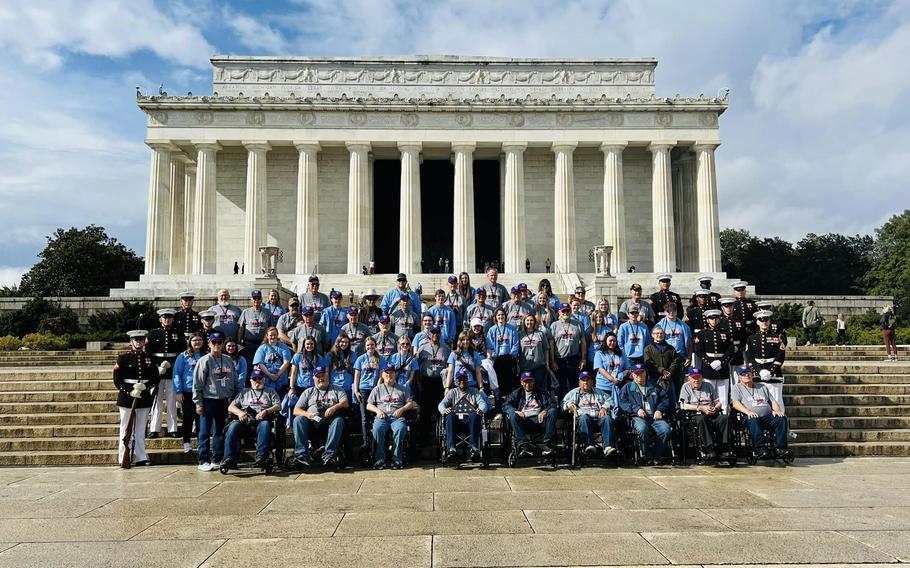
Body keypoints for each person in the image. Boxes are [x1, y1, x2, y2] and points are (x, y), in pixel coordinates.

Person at [192, 331, 239, 472]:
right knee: (205, 431)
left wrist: (235, 398)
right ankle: (203, 459)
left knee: (220, 431)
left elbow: (234, 379)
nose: (217, 345)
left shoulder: (228, 360)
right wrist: (198, 403)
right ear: (209, 344)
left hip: (224, 400)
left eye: (219, 343)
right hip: (208, 399)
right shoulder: (205, 360)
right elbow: (197, 384)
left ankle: (216, 458)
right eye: (214, 343)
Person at [113, 330, 160, 467]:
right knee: (126, 428)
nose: (138, 342)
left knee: (140, 429)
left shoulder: (149, 358)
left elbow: (155, 377)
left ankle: (141, 456)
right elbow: (117, 379)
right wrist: (130, 391)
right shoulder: (123, 358)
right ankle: (122, 456)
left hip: (144, 396)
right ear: (131, 341)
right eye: (136, 340)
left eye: (141, 340)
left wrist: (147, 386)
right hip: (127, 397)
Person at [288, 366, 350, 468]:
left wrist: (334, 408)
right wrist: (308, 414)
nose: (321, 378)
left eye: (323, 375)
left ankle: (329, 456)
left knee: (339, 420)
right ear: (314, 378)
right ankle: (302, 456)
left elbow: (345, 403)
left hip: (329, 422)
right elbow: (296, 410)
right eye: (318, 376)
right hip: (312, 423)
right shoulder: (308, 391)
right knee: (298, 419)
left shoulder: (337, 389)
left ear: (328, 376)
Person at [222, 368, 281, 470]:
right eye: (255, 378)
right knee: (233, 426)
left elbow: (278, 406)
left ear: (264, 379)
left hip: (261, 421)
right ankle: (229, 459)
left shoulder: (270, 391)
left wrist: (266, 411)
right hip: (245, 421)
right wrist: (240, 413)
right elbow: (230, 407)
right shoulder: (244, 392)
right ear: (251, 380)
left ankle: (261, 458)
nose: (257, 380)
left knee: (265, 425)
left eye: (259, 378)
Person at [731, 366, 791, 460]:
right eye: (744, 374)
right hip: (749, 417)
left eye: (749, 373)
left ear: (753, 375)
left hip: (767, 416)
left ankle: (781, 448)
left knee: (781, 418)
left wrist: (777, 411)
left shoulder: (762, 386)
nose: (747, 375)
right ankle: (760, 449)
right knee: (753, 419)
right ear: (739, 377)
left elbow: (773, 402)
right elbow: (735, 404)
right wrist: (748, 412)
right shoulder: (736, 388)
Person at [367, 363, 417, 469]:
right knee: (377, 429)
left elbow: (411, 403)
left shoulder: (403, 388)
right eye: (387, 373)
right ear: (382, 375)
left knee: (400, 429)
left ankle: (397, 459)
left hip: (397, 417)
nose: (389, 375)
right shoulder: (377, 389)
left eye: (391, 373)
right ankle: (380, 459)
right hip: (382, 417)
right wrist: (377, 411)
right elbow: (368, 405)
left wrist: (401, 409)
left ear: (395, 374)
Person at [619, 364, 672, 464]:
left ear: (645, 373)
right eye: (637, 374)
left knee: (666, 430)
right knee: (642, 429)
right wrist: (636, 409)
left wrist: (659, 410)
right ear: (633, 375)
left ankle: (657, 456)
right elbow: (623, 403)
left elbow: (665, 399)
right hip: (637, 417)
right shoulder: (627, 388)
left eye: (642, 373)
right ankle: (647, 456)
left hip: (654, 416)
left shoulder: (654, 386)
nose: (640, 376)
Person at [146, 308, 185, 439]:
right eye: (164, 317)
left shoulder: (178, 333)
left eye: (169, 317)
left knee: (172, 401)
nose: (167, 320)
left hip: (172, 371)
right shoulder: (152, 334)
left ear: (173, 319)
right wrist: (155, 368)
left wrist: (173, 365)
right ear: (160, 319)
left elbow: (182, 353)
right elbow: (148, 354)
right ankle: (154, 429)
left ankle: (172, 428)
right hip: (157, 371)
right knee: (156, 401)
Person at [678, 368, 732, 460]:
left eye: (698, 377)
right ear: (689, 379)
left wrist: (716, 408)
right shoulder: (686, 387)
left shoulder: (708, 385)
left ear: (702, 378)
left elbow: (718, 402)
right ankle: (709, 448)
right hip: (696, 414)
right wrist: (701, 408)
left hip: (711, 412)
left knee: (724, 418)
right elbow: (683, 406)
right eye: (694, 378)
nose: (696, 380)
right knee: (701, 419)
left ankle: (723, 447)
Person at [438, 368, 491, 461]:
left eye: (464, 379)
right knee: (450, 416)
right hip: (456, 422)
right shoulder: (452, 392)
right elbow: (441, 404)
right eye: (460, 380)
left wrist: (481, 409)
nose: (462, 381)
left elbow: (482, 403)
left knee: (475, 415)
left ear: (467, 381)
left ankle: (473, 448)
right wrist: (444, 410)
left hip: (471, 422)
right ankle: (452, 449)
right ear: (456, 382)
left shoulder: (474, 391)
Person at [503, 371, 558, 457]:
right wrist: (515, 411)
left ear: (533, 381)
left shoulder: (542, 392)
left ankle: (548, 443)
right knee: (513, 415)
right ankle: (524, 445)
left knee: (552, 411)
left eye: (530, 381)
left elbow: (552, 404)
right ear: (521, 382)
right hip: (524, 421)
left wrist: (545, 411)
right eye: (525, 381)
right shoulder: (516, 393)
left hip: (539, 420)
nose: (527, 384)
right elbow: (505, 405)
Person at [563, 371, 616, 456]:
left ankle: (608, 447)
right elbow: (564, 402)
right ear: (579, 382)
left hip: (598, 418)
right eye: (583, 380)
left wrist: (604, 407)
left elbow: (610, 400)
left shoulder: (599, 392)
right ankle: (589, 445)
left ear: (592, 382)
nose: (586, 382)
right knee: (584, 418)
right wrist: (570, 405)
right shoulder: (574, 393)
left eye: (588, 380)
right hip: (584, 419)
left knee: (607, 418)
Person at [745, 309, 787, 411]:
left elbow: (780, 356)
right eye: (761, 320)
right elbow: (749, 357)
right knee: (759, 404)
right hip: (757, 374)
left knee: (777, 403)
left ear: (769, 321)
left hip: (773, 375)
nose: (764, 322)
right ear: (757, 322)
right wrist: (759, 371)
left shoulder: (778, 337)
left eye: (766, 320)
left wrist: (770, 371)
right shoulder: (751, 338)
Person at [694, 309, 734, 413]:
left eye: (716, 318)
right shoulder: (702, 334)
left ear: (719, 319)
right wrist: (709, 362)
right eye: (711, 318)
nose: (714, 320)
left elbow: (730, 350)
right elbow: (699, 351)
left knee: (723, 398)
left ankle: (725, 417)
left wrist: (721, 361)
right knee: (708, 397)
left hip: (722, 369)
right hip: (708, 369)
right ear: (707, 320)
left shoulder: (726, 333)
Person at [173, 332, 206, 454]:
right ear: (190, 342)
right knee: (187, 418)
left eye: (199, 340)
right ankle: (186, 442)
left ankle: (200, 442)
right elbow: (177, 373)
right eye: (194, 340)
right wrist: (178, 391)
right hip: (188, 392)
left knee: (201, 419)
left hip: (203, 392)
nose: (197, 342)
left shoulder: (206, 355)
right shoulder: (183, 356)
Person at [354, 336, 385, 452]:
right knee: (364, 418)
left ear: (375, 346)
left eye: (372, 345)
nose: (370, 347)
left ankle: (377, 439)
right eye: (368, 345)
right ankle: (366, 441)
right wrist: (356, 391)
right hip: (363, 389)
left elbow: (382, 374)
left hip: (375, 389)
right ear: (365, 347)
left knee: (376, 415)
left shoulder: (380, 359)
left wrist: (377, 386)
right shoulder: (360, 359)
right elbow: (357, 376)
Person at [417, 326, 451, 430]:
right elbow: (416, 367)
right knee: (425, 409)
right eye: (433, 333)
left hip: (440, 382)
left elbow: (450, 367)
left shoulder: (446, 349)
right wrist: (418, 382)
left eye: (437, 332)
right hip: (426, 381)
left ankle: (441, 431)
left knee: (440, 407)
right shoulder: (422, 349)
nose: (435, 335)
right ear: (429, 334)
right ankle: (424, 434)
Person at [550, 304, 587, 399]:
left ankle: (574, 406)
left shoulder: (577, 324)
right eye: (563, 311)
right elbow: (552, 344)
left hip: (573, 358)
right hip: (559, 359)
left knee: (574, 384)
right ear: (559, 312)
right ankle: (563, 409)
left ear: (570, 311)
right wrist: (553, 361)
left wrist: (583, 359)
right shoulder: (554, 325)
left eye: (567, 311)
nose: (565, 313)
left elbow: (583, 342)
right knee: (561, 386)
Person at [644, 326, 680, 415]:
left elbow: (675, 361)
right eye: (657, 333)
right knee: (655, 402)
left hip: (668, 379)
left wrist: (669, 373)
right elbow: (649, 363)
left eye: (661, 333)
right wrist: (662, 371)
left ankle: (672, 422)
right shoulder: (648, 349)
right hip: (654, 380)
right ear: (652, 335)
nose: (659, 335)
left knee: (671, 402)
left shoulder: (670, 348)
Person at [486, 308, 519, 400]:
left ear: (505, 316)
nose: (501, 317)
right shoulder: (492, 330)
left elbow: (515, 344)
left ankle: (509, 402)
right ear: (495, 317)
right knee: (498, 383)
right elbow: (490, 345)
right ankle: (499, 404)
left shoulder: (512, 328)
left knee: (508, 383)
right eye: (498, 315)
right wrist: (495, 355)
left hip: (509, 358)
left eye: (502, 315)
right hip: (497, 359)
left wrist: (511, 355)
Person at [253, 327, 292, 398]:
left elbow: (286, 362)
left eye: (275, 335)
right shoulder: (262, 348)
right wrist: (270, 375)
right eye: (271, 335)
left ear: (278, 335)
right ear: (267, 336)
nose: (273, 337)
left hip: (280, 380)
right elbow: (259, 363)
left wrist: (277, 375)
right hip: (266, 380)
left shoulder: (283, 347)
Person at [238, 290, 273, 365]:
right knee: (249, 364)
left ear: (261, 299)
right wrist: (239, 342)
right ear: (251, 299)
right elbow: (241, 328)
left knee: (263, 364)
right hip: (249, 344)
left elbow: (271, 328)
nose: (256, 300)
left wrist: (267, 340)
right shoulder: (246, 312)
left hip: (263, 343)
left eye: (258, 298)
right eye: (254, 298)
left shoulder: (267, 312)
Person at [518, 314, 555, 386]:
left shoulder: (540, 334)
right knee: (527, 388)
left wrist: (547, 364)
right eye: (527, 320)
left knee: (539, 387)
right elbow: (517, 351)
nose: (529, 322)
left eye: (531, 320)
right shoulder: (520, 334)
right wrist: (517, 365)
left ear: (535, 322)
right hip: (525, 367)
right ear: (524, 322)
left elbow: (546, 349)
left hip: (539, 366)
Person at [655, 302, 692, 367]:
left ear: (676, 311)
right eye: (668, 311)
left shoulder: (684, 326)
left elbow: (689, 342)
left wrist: (689, 357)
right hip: (665, 356)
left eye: (673, 310)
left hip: (680, 356)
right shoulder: (659, 326)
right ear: (665, 312)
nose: (671, 313)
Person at [324, 334, 355, 400]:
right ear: (338, 342)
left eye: (346, 342)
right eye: (342, 342)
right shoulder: (330, 354)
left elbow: (355, 371)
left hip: (348, 387)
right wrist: (327, 385)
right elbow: (327, 371)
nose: (344, 344)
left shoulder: (352, 354)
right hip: (335, 387)